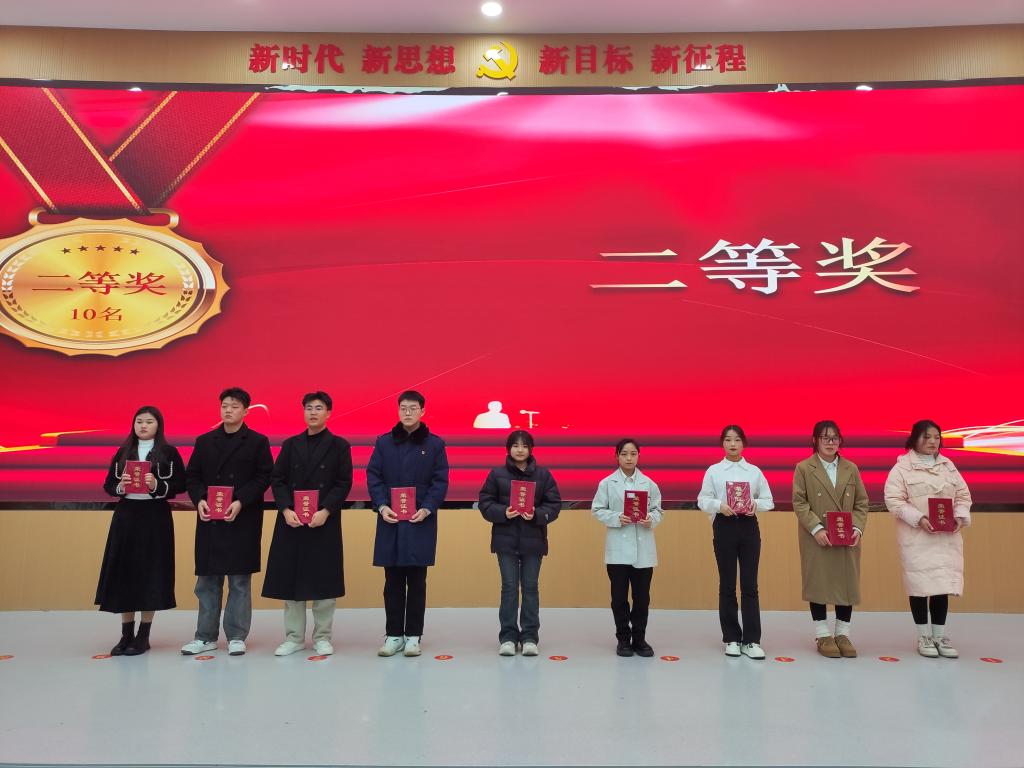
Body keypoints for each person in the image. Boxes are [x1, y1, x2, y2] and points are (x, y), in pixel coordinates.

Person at [182, 387, 273, 656]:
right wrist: (199, 499)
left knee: (239, 582)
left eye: (234, 406)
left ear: (245, 411)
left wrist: (241, 500)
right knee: (207, 581)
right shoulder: (204, 441)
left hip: (242, 519)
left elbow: (264, 477)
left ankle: (236, 636)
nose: (228, 410)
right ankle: (205, 636)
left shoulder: (257, 442)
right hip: (210, 519)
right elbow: (192, 476)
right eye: (224, 406)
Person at [262, 391, 352, 657]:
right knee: (292, 580)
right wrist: (285, 509)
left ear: (328, 413)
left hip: (323, 521)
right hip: (292, 522)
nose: (313, 412)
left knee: (324, 581)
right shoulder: (290, 445)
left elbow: (343, 483)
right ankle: (294, 637)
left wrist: (326, 510)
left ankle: (322, 636)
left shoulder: (339, 446)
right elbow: (277, 479)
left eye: (318, 408)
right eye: (309, 408)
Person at [95, 406, 185, 656]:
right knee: (124, 572)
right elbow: (108, 484)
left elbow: (181, 483)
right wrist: (121, 487)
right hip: (127, 516)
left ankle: (143, 635)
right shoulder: (123, 451)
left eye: (149, 421)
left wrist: (157, 484)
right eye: (139, 422)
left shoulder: (168, 452)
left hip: (155, 517)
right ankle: (126, 634)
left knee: (150, 573)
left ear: (159, 425)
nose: (143, 426)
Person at [367, 390, 449, 658]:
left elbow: (440, 481)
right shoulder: (384, 443)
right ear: (398, 410)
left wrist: (427, 508)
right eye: (403, 408)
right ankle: (393, 635)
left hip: (419, 521)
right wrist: (382, 506)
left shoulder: (435, 445)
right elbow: (374, 477)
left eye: (413, 408)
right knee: (392, 582)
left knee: (416, 582)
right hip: (390, 520)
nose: (408, 412)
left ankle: (413, 636)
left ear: (423, 411)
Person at [884, 419, 972, 659]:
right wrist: (919, 518)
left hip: (946, 537)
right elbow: (894, 500)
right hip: (917, 537)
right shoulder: (902, 468)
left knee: (942, 586)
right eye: (927, 437)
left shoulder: (948, 466)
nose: (933, 441)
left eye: (936, 437)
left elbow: (963, 496)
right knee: (920, 586)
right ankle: (923, 636)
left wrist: (959, 516)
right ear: (915, 439)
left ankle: (939, 636)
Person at [478, 430, 561, 656]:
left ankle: (530, 637)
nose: (520, 450)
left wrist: (536, 514)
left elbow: (554, 505)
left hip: (534, 541)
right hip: (505, 541)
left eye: (524, 445)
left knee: (531, 588)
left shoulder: (543, 475)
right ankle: (507, 637)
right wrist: (503, 512)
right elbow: (485, 503)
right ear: (508, 449)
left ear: (531, 449)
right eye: (515, 445)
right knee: (509, 588)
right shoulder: (496, 474)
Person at [792, 420, 869, 659]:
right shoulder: (804, 468)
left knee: (846, 583)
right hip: (817, 536)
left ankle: (843, 634)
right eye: (825, 438)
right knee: (819, 582)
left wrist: (857, 528)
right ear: (815, 440)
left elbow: (862, 502)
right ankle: (823, 634)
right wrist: (816, 528)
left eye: (835, 438)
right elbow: (799, 502)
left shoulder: (851, 468)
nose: (830, 442)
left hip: (846, 536)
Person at [697, 425, 773, 660]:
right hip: (724, 526)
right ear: (722, 443)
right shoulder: (714, 471)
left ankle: (751, 640)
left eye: (737, 440)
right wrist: (719, 505)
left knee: (750, 585)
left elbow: (768, 500)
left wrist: (755, 505)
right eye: (728, 439)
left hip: (749, 527)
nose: (733, 444)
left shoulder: (754, 471)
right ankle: (731, 637)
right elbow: (702, 499)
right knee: (727, 584)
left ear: (744, 443)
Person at [592, 438, 663, 657]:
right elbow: (597, 509)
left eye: (633, 454)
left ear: (639, 456)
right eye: (624, 454)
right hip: (618, 548)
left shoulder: (649, 484)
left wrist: (650, 519)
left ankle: (639, 638)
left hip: (643, 549)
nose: (629, 458)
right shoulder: (607, 483)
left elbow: (658, 511)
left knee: (642, 598)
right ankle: (623, 638)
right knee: (619, 598)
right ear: (617, 456)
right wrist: (616, 518)